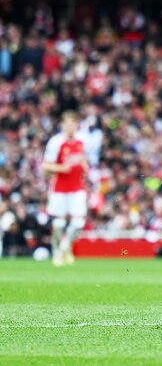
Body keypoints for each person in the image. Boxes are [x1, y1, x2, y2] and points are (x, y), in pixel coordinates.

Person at [42, 110, 89, 266]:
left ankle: (66, 247)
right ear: (63, 125)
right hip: (59, 189)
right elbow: (46, 165)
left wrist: (84, 166)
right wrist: (62, 168)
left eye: (73, 124)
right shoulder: (56, 142)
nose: (70, 127)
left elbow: (82, 159)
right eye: (67, 124)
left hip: (77, 188)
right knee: (59, 223)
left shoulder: (81, 141)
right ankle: (56, 252)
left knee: (78, 223)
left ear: (77, 125)